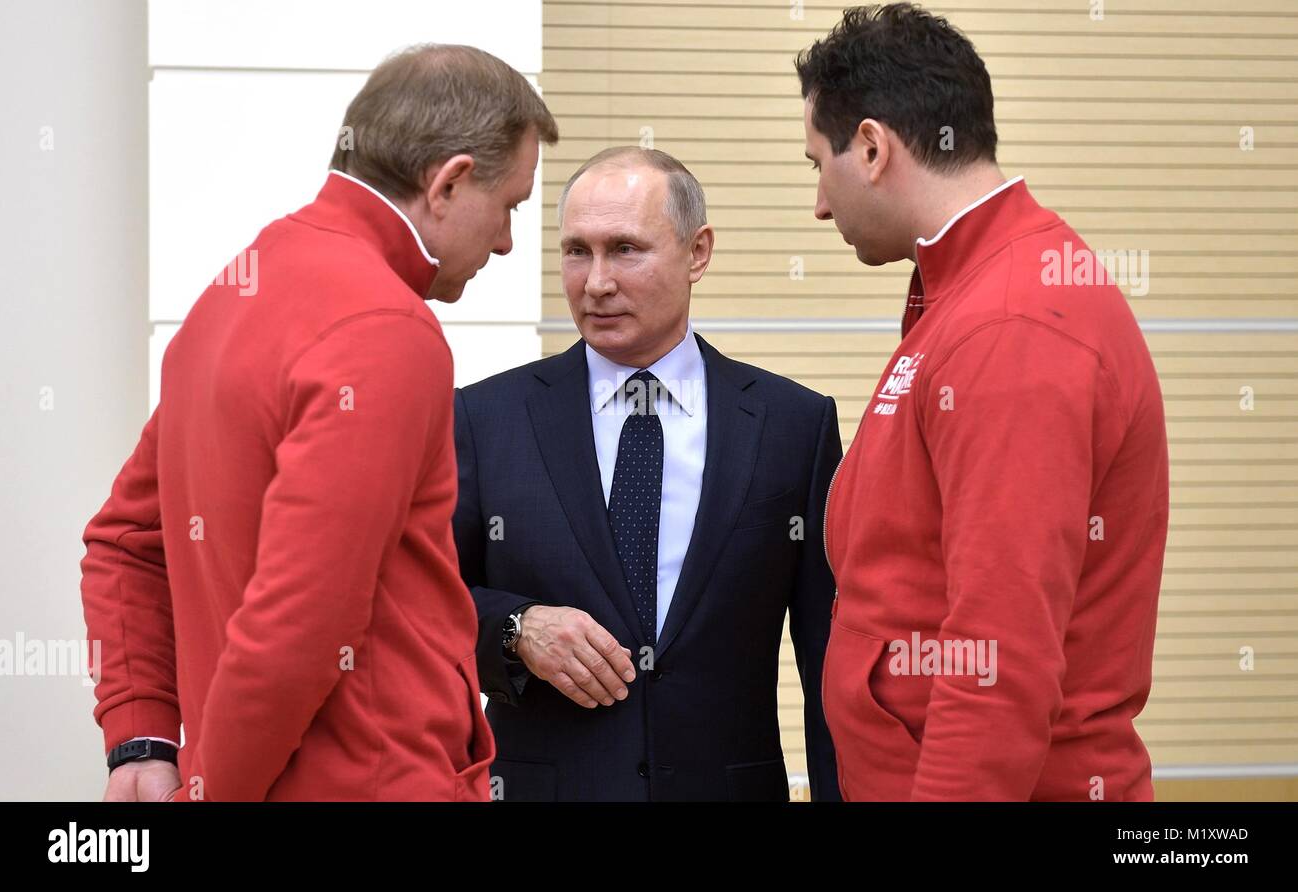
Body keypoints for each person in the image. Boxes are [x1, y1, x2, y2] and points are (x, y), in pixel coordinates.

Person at [79, 44, 557, 801]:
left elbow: (123, 543)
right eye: (511, 207)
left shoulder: (233, 295)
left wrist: (140, 739)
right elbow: (298, 629)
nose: (504, 241)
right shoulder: (384, 327)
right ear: (451, 182)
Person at [798, 4, 1169, 800]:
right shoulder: (969, 292)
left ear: (870, 148)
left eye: (815, 165)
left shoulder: (1013, 323)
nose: (819, 206)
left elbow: (997, 663)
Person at [452, 147, 841, 801]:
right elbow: (419, 607)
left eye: (625, 249)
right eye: (577, 251)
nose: (596, 281)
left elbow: (830, 658)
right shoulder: (485, 417)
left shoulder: (793, 426)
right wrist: (515, 631)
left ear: (698, 252)